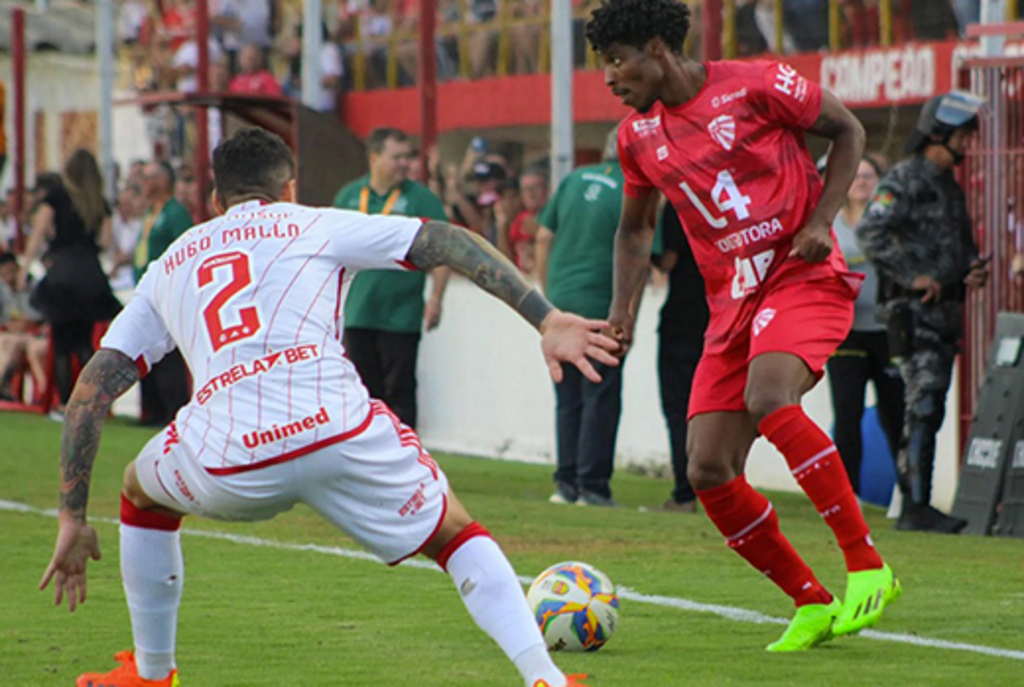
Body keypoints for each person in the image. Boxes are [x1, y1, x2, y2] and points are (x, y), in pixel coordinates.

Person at [39, 127, 611, 687]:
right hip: (336, 433)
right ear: (290, 188)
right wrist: (546, 317)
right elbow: (448, 240)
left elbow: (93, 389)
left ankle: (152, 675)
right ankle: (544, 678)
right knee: (456, 535)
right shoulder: (313, 222)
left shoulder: (175, 259)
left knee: (141, 490)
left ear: (216, 202)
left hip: (227, 458)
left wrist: (72, 518)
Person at [587, 0, 899, 650]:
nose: (610, 78)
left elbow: (847, 131)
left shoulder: (757, 84)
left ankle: (868, 563)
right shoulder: (635, 137)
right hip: (732, 303)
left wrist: (820, 220)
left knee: (768, 395)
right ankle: (811, 601)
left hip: (800, 273)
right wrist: (621, 314)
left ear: (657, 47)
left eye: (617, 61)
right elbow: (635, 229)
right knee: (707, 466)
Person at [856, 91, 990, 533]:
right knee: (923, 404)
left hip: (944, 313)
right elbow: (870, 230)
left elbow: (954, 246)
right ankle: (915, 506)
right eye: (962, 134)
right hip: (915, 314)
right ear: (938, 133)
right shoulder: (905, 179)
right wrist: (912, 276)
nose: (969, 143)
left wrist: (968, 271)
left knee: (929, 407)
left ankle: (918, 503)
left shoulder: (947, 183)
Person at [333, 128, 449, 429]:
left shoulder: (420, 198)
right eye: (396, 157)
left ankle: (407, 463)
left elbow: (442, 251)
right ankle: (369, 464)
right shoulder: (348, 196)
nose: (403, 164)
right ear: (374, 158)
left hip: (400, 316)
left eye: (406, 157)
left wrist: (436, 298)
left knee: (400, 394)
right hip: (357, 313)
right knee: (363, 396)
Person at [535, 128, 626, 507]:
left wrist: (547, 295)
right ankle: (593, 486)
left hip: (561, 300)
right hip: (603, 303)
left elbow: (542, 236)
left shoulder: (572, 180)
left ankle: (566, 483)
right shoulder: (634, 190)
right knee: (600, 395)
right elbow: (643, 252)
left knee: (567, 396)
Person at [825, 156, 905, 500]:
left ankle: (908, 496)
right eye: (855, 176)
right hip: (845, 332)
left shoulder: (891, 223)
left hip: (887, 330)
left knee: (896, 414)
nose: (861, 182)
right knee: (847, 414)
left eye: (869, 176)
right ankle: (848, 496)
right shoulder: (830, 223)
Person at [20, 151, 122, 411]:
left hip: (63, 271)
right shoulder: (98, 201)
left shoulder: (56, 196)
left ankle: (65, 403)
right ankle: (92, 400)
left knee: (63, 342)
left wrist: (26, 265)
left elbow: (40, 231)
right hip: (89, 272)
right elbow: (106, 241)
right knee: (85, 341)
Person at [649, 203, 709, 513]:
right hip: (725, 319)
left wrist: (648, 254)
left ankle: (685, 493)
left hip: (683, 319)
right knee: (720, 411)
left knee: (679, 410)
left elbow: (668, 260)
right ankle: (727, 491)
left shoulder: (680, 201)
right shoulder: (734, 196)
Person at [136, 160, 195, 427]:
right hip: (146, 294)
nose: (143, 183)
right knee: (147, 349)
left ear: (162, 181)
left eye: (149, 178)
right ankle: (152, 409)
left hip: (167, 294)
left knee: (168, 355)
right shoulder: (150, 213)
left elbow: (186, 249)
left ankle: (172, 410)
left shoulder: (174, 213)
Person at [0, 251, 47, 400]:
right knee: (8, 342)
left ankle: (42, 393)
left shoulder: (32, 286)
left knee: (22, 346)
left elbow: (40, 316)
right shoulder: (2, 290)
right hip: (11, 333)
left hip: (34, 334)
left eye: (12, 271)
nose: (10, 276)